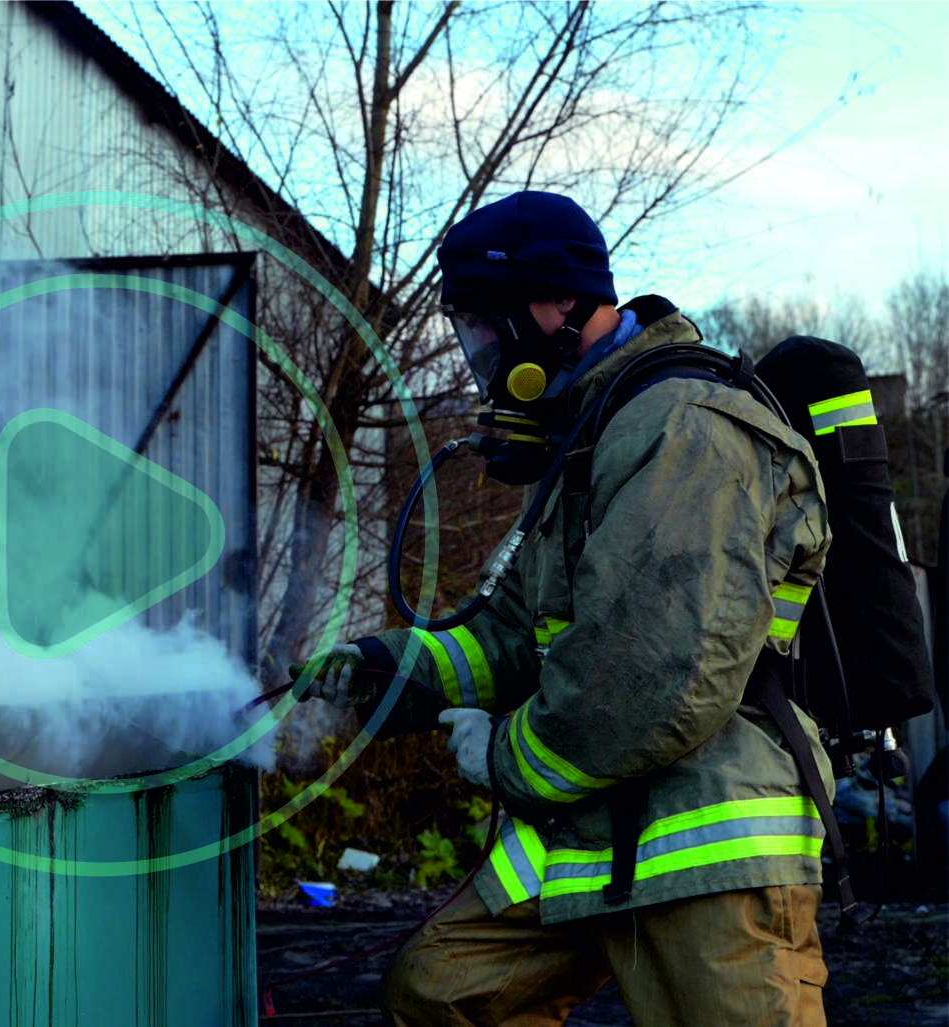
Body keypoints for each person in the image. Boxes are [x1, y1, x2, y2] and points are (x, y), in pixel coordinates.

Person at [296, 191, 835, 1026]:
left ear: (558, 306)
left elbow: (650, 674)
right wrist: (387, 671)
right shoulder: (592, 432)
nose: (476, 357)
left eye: (483, 327)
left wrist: (502, 755)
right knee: (443, 995)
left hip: (706, 832)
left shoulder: (683, 427)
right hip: (600, 825)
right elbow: (517, 633)